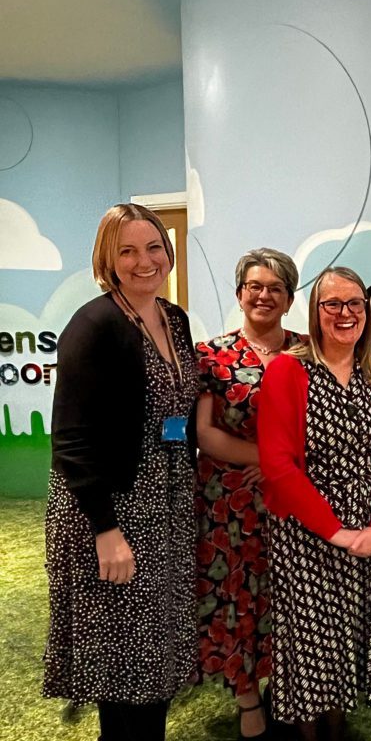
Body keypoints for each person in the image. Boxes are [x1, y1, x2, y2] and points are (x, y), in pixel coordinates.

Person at [43, 204, 199, 741]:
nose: (143, 261)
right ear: (107, 260)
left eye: (153, 247)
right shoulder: (93, 324)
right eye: (126, 251)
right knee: (121, 665)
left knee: (154, 658)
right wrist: (105, 531)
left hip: (166, 507)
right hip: (111, 513)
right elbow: (70, 438)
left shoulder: (173, 319)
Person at [257, 266, 371, 741]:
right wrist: (335, 531)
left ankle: (338, 729)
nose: (345, 314)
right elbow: (277, 464)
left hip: (367, 534)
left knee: (348, 644)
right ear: (315, 312)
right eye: (332, 304)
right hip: (305, 536)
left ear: (367, 311)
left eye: (355, 303)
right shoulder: (288, 369)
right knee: (309, 649)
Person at [194, 248, 305, 739]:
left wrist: (286, 464)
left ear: (289, 298)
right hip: (227, 501)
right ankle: (247, 702)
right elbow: (205, 434)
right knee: (235, 598)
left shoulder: (310, 352)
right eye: (255, 286)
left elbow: (322, 426)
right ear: (240, 293)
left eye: (275, 288)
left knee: (289, 599)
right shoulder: (211, 354)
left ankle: (288, 691)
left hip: (295, 499)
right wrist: (265, 458)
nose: (264, 295)